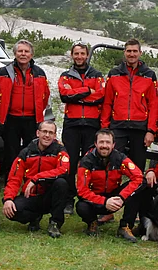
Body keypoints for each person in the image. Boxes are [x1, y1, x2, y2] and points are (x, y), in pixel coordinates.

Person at [2, 120, 70, 238]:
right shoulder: (26, 152)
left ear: (54, 136)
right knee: (12, 211)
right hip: (30, 196)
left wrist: (37, 178)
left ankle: (55, 223)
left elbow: (64, 170)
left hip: (50, 196)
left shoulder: (60, 151)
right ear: (38, 133)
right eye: (44, 131)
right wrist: (8, 198)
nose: (47, 135)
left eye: (50, 133)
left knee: (61, 183)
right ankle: (34, 217)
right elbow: (14, 178)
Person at [58, 42, 104, 214]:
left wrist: (76, 94)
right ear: (72, 55)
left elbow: (100, 95)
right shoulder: (65, 75)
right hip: (72, 124)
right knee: (69, 162)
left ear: (87, 55)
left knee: (89, 162)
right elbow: (64, 95)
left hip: (92, 124)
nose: (79, 57)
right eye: (76, 53)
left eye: (82, 53)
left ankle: (87, 197)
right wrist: (87, 90)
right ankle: (69, 199)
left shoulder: (97, 75)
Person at [0, 39, 50, 177]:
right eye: (20, 51)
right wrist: (1, 112)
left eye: (26, 51)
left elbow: (45, 95)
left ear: (31, 54)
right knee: (10, 150)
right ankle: (10, 177)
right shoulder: (4, 72)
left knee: (30, 149)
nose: (23, 54)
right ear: (14, 53)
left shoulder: (40, 73)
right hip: (11, 118)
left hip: (32, 119)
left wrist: (37, 112)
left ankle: (28, 176)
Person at [101, 38, 158, 173]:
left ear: (140, 53)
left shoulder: (149, 75)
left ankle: (135, 194)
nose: (131, 54)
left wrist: (151, 131)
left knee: (137, 169)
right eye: (129, 51)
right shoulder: (114, 73)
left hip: (140, 128)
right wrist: (104, 128)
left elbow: (154, 105)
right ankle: (110, 193)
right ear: (124, 52)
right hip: (117, 126)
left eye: (134, 51)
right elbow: (107, 102)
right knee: (112, 165)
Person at [76, 129, 144, 242]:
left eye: (108, 142)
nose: (104, 145)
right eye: (101, 142)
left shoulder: (120, 158)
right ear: (95, 143)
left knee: (140, 186)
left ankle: (125, 226)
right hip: (96, 201)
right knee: (81, 206)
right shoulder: (86, 161)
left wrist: (122, 197)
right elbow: (82, 191)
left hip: (116, 197)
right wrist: (104, 202)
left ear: (113, 145)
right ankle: (92, 222)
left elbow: (138, 177)